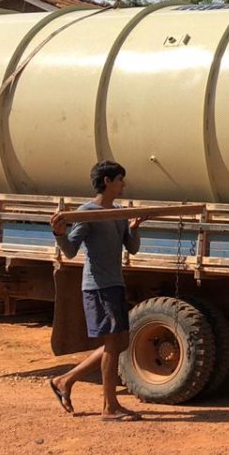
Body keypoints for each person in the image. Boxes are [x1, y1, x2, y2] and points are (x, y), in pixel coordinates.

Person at [47, 160, 146, 421]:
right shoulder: (87, 213)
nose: (124, 184)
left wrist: (134, 229)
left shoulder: (119, 212)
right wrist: (59, 234)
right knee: (113, 344)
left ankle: (65, 380)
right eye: (120, 179)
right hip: (98, 286)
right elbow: (70, 251)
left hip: (115, 283)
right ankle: (109, 407)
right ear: (107, 181)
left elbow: (132, 248)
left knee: (120, 342)